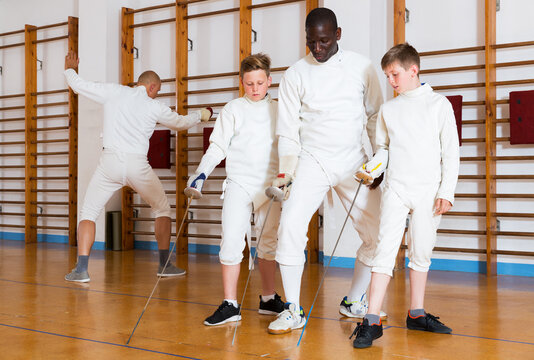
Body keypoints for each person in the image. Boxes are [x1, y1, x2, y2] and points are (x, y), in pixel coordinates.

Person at [267, 7, 385, 335]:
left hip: (353, 162)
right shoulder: (294, 75)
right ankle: (293, 308)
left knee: (377, 233)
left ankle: (353, 301)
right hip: (311, 160)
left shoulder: (362, 66)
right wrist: (286, 173)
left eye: (323, 41)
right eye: (310, 42)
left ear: (338, 35)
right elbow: (288, 132)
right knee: (289, 226)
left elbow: (375, 116)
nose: (317, 48)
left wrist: (378, 162)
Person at [63, 51, 212, 282]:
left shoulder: (114, 91)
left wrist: (69, 69)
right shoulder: (154, 106)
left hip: (109, 163)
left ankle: (81, 270)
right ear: (152, 87)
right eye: (158, 90)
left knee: (88, 212)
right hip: (137, 165)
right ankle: (164, 265)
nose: (157, 94)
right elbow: (180, 123)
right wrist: (201, 115)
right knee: (161, 209)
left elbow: (78, 85)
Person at [350, 43, 460, 348]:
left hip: (428, 191)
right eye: (387, 76)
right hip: (396, 189)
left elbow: (451, 153)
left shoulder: (439, 105)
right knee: (385, 249)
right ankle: (371, 319)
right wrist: (372, 168)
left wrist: (446, 192)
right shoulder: (388, 109)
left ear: (414, 70)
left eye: (395, 74)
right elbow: (383, 150)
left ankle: (416, 313)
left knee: (421, 251)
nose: (391, 81)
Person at [186, 53, 285, 326]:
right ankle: (230, 304)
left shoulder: (279, 109)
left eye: (260, 83)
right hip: (239, 183)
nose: (255, 89)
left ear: (269, 81)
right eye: (249, 83)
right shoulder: (233, 109)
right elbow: (217, 146)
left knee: (268, 245)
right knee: (230, 240)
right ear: (242, 82)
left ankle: (268, 299)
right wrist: (200, 174)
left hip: (270, 186)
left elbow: (289, 147)